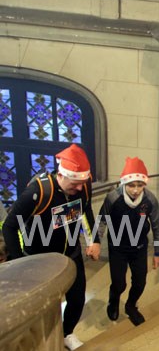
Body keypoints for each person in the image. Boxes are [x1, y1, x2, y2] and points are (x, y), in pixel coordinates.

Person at [2, 143, 99, 350]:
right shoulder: (38, 192)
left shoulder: (84, 185)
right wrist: (20, 262)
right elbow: (10, 226)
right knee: (44, 307)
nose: (80, 189)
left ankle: (66, 333)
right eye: (75, 184)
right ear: (61, 175)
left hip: (71, 254)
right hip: (40, 260)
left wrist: (95, 240)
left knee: (77, 300)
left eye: (82, 184)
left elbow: (86, 209)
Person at [91, 157, 159, 326]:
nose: (136, 190)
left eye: (140, 185)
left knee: (140, 282)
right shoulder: (113, 198)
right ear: (124, 183)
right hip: (118, 247)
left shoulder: (150, 200)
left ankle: (131, 306)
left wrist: (158, 252)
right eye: (132, 185)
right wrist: (96, 242)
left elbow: (157, 226)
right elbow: (102, 221)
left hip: (139, 247)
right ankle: (114, 299)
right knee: (119, 283)